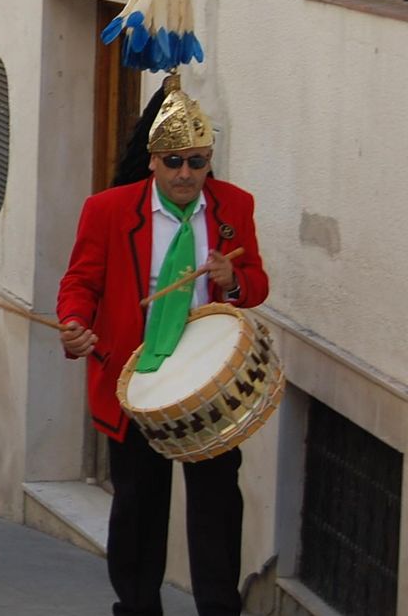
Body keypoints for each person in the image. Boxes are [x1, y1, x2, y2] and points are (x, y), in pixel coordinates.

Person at [58, 76, 267, 616]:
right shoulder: (108, 211)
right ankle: (137, 606)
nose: (185, 174)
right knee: (137, 505)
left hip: (207, 382)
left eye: (197, 162)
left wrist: (234, 278)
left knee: (217, 505)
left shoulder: (233, 207)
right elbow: (80, 282)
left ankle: (219, 608)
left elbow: (257, 283)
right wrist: (76, 323)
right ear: (153, 161)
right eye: (174, 161)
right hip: (137, 378)